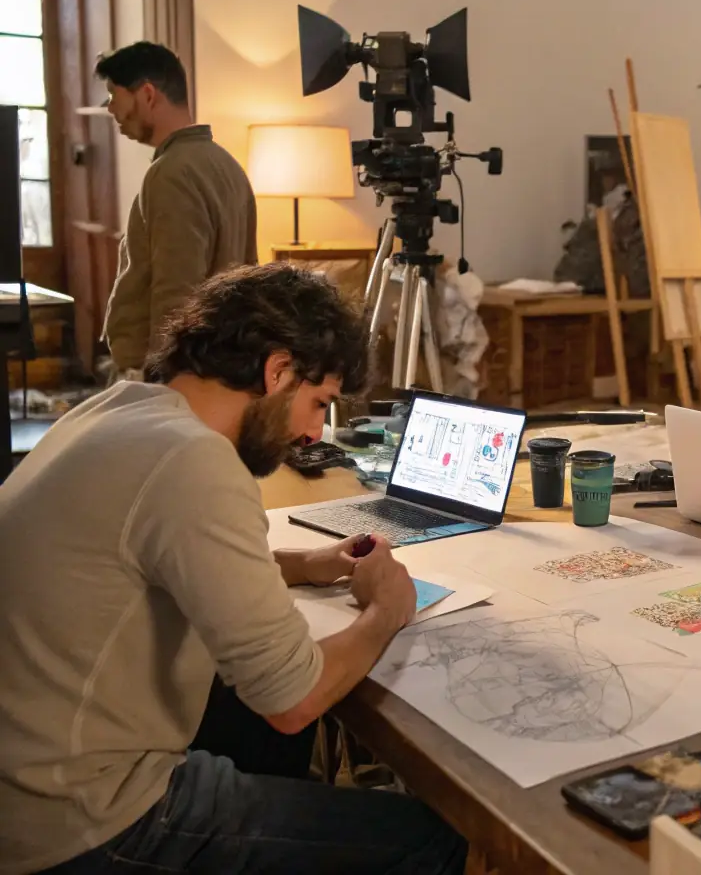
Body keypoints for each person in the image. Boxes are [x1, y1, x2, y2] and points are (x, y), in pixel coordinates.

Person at [0, 264, 467, 874]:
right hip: (82, 817)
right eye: (317, 403)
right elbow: (293, 698)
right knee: (431, 838)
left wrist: (305, 565)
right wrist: (387, 612)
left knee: (263, 730)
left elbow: (153, 560)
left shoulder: (118, 409)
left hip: (26, 773)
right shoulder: (194, 460)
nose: (311, 433)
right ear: (277, 371)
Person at [99, 41, 258, 379]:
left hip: (167, 378)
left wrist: (161, 382)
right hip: (212, 370)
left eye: (114, 96)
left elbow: (176, 291)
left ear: (147, 94)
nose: (111, 109)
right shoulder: (228, 166)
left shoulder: (172, 172)